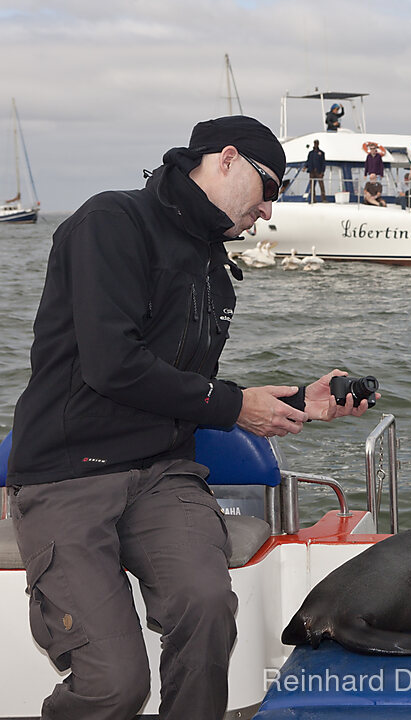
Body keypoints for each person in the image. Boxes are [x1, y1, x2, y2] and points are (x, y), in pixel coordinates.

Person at [5, 115, 376, 720]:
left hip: (163, 472)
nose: (270, 210)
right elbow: (112, 364)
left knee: (206, 608)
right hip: (68, 472)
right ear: (225, 159)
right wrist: (234, 406)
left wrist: (293, 403)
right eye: (269, 188)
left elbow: (180, 386)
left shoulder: (212, 263)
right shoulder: (111, 222)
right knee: (114, 684)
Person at [304, 139, 326, 203]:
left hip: (319, 172)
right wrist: (305, 166)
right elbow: (308, 161)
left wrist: (322, 172)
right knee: (312, 186)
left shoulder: (321, 153)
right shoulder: (311, 153)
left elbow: (323, 163)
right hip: (312, 171)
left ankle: (323, 199)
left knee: (321, 186)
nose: (316, 144)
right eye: (315, 143)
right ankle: (313, 199)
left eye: (317, 143)